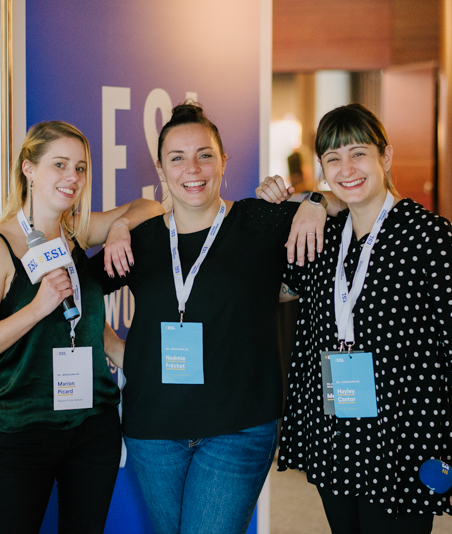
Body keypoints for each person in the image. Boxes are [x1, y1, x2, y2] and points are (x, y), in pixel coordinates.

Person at [91, 103, 342, 534]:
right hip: (153, 430)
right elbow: (76, 292)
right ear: (161, 169)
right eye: (177, 158)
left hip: (238, 427)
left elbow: (354, 208)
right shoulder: (141, 240)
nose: (193, 169)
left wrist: (317, 200)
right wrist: (115, 348)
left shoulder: (259, 221)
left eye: (204, 155)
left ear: (223, 161)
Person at [257, 103, 452, 533]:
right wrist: (288, 204)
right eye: (333, 158)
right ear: (323, 169)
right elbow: (270, 289)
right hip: (335, 432)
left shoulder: (431, 238)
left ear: (386, 156)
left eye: (359, 153)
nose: (347, 169)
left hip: (404, 435)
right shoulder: (324, 236)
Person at [0, 120, 164, 534]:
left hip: (92, 424)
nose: (73, 177)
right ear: (28, 168)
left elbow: (151, 208)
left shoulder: (78, 232)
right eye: (60, 164)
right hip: (24, 428)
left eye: (80, 167)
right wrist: (37, 308)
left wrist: (119, 227)